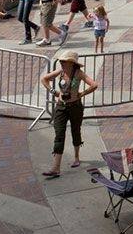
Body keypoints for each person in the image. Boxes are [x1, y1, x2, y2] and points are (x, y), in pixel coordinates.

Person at [40, 50, 98, 178]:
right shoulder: (60, 72)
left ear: (71, 63)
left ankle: (77, 157)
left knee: (75, 131)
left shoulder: (79, 73)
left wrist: (82, 94)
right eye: (60, 61)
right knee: (59, 134)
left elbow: (94, 85)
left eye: (64, 61)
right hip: (61, 107)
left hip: (75, 107)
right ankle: (55, 168)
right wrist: (54, 91)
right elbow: (44, 79)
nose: (61, 63)